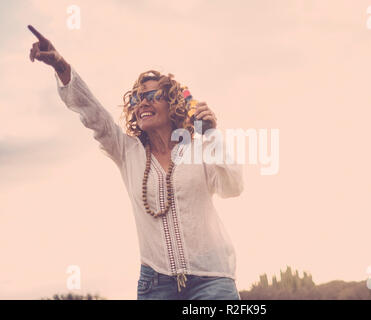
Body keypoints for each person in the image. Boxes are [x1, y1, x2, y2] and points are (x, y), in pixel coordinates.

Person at [28, 25, 244, 300]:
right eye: (137, 98)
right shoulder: (127, 151)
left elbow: (233, 185)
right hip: (156, 285)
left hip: (212, 280)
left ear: (173, 104)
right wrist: (60, 65)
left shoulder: (199, 149)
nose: (142, 103)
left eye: (152, 96)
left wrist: (211, 133)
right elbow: (94, 114)